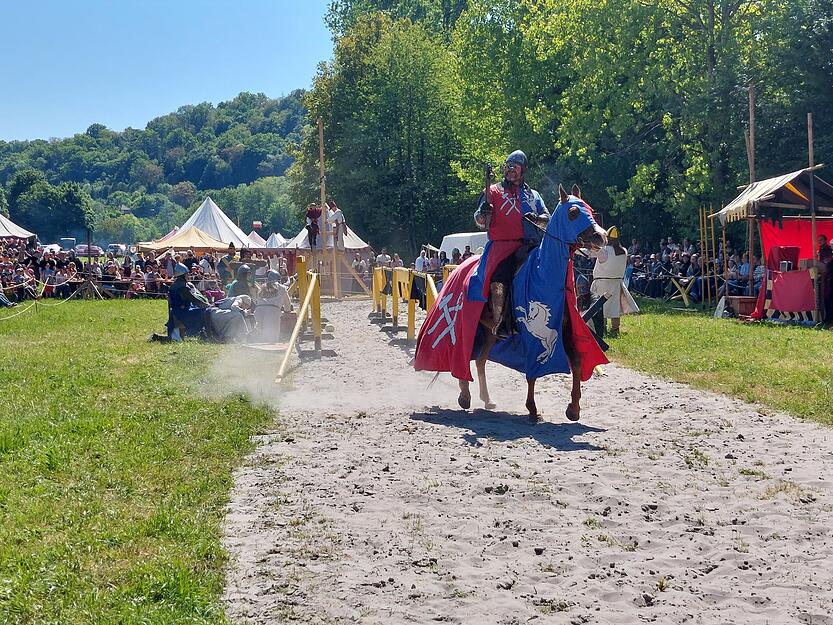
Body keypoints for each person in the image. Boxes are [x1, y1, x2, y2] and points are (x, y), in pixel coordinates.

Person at [470, 149, 550, 335]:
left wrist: (538, 219)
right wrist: (483, 214)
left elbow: (548, 216)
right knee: (501, 275)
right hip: (503, 247)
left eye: (515, 167)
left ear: (523, 170)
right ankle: (500, 322)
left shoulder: (534, 195)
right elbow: (479, 220)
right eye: (508, 167)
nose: (510, 170)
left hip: (532, 246)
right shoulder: (493, 191)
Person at [590, 226, 638, 336]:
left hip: (603, 283)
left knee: (601, 307)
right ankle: (615, 328)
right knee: (614, 307)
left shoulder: (604, 251)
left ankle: (602, 328)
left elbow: (589, 253)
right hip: (615, 283)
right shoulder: (623, 251)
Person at [166, 263, 211, 341]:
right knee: (204, 312)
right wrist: (207, 305)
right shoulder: (182, 287)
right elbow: (193, 299)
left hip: (179, 310)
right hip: (182, 312)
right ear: (182, 275)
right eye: (187, 274)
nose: (188, 275)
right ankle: (197, 333)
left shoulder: (177, 284)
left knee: (200, 310)